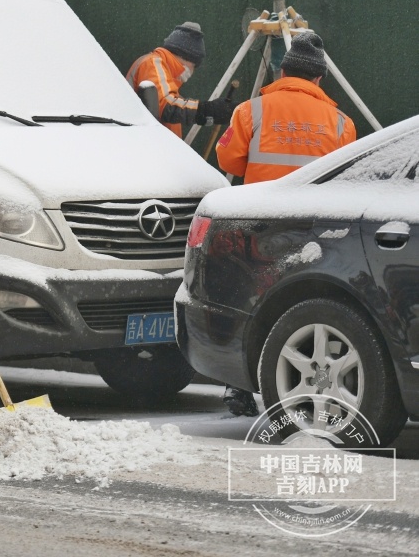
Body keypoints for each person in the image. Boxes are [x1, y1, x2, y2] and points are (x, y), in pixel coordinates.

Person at [214, 32, 357, 416]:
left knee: (250, 300)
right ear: (319, 80)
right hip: (314, 229)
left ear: (282, 70)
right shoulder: (343, 123)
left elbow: (228, 161)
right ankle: (303, 385)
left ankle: (238, 388)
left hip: (260, 225)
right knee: (304, 304)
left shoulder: (251, 111)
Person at [126, 22, 237, 138]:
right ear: (185, 56)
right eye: (193, 66)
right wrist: (208, 110)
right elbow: (167, 106)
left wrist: (207, 115)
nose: (192, 71)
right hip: (145, 147)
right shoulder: (153, 63)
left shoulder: (166, 80)